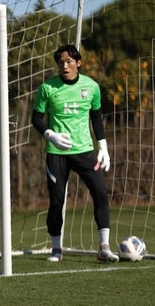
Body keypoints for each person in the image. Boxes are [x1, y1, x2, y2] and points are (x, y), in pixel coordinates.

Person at [31, 44, 118, 263]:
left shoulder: (92, 87)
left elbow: (96, 118)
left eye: (69, 61)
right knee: (57, 201)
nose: (65, 65)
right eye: (61, 62)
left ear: (78, 63)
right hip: (56, 152)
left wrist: (104, 147)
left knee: (100, 193)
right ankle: (56, 249)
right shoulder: (47, 88)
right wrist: (50, 135)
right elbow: (36, 119)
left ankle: (104, 247)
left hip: (85, 151)